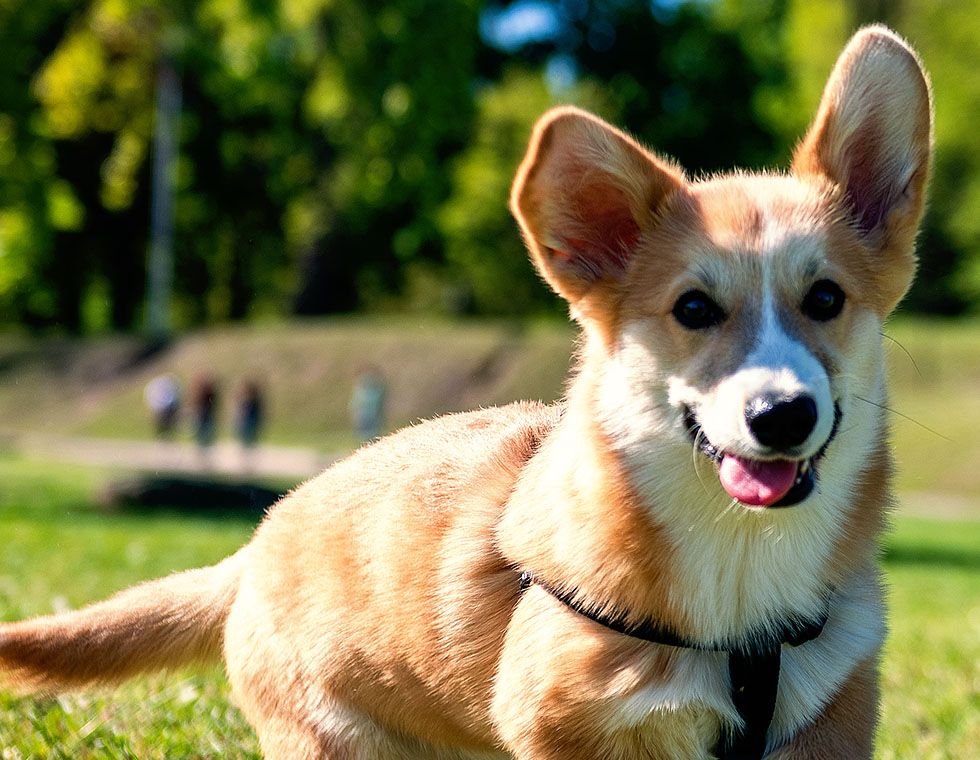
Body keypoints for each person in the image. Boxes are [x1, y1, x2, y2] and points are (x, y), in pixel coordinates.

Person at [349, 365, 386, 442]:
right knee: (371, 434)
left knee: (366, 434)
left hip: (364, 414)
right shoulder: (376, 386)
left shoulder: (360, 386)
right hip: (370, 414)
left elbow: (355, 403)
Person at [144, 373, 181, 438]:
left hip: (164, 407)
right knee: (161, 424)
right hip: (161, 407)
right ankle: (161, 436)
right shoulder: (160, 385)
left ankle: (166, 436)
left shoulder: (167, 385)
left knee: (167, 424)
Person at [191, 375, 219, 453]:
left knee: (206, 430)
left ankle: (206, 446)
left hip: (207, 414)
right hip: (203, 414)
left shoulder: (210, 393)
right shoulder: (202, 393)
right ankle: (202, 446)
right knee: (202, 430)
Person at [236, 379, 264, 449]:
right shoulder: (247, 399)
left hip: (250, 421)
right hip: (248, 421)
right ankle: (247, 447)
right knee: (246, 438)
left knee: (249, 437)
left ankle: (248, 447)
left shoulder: (254, 400)